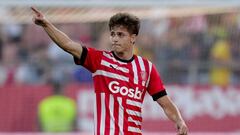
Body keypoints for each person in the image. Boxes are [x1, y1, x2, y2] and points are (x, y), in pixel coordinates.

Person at [31, 7, 188, 135]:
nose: (114, 38)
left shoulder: (146, 68)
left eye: (120, 34)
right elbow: (68, 44)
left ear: (133, 38)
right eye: (112, 34)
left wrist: (179, 120)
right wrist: (46, 24)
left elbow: (165, 103)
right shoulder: (100, 60)